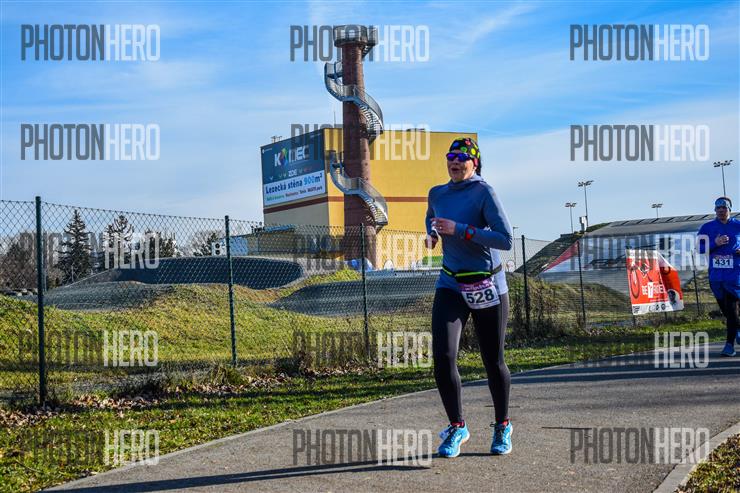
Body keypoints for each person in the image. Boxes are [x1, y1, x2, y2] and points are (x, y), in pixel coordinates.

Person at [425, 137, 513, 457]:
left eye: (462, 157)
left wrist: (460, 229)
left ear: (474, 163)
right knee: (443, 356)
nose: (455, 161)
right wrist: (432, 234)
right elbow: (431, 216)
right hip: (451, 284)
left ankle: (502, 425)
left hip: (487, 284)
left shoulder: (484, 192)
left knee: (493, 361)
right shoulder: (437, 193)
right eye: (451, 156)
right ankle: (457, 426)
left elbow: (505, 239)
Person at [697, 197, 740, 357]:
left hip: (734, 275)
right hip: (716, 276)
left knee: (732, 308)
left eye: (724, 208)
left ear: (729, 209)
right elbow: (699, 248)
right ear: (715, 210)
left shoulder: (737, 225)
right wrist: (715, 243)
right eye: (718, 208)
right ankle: (737, 328)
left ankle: (729, 346)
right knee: (727, 311)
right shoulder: (707, 227)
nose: (721, 210)